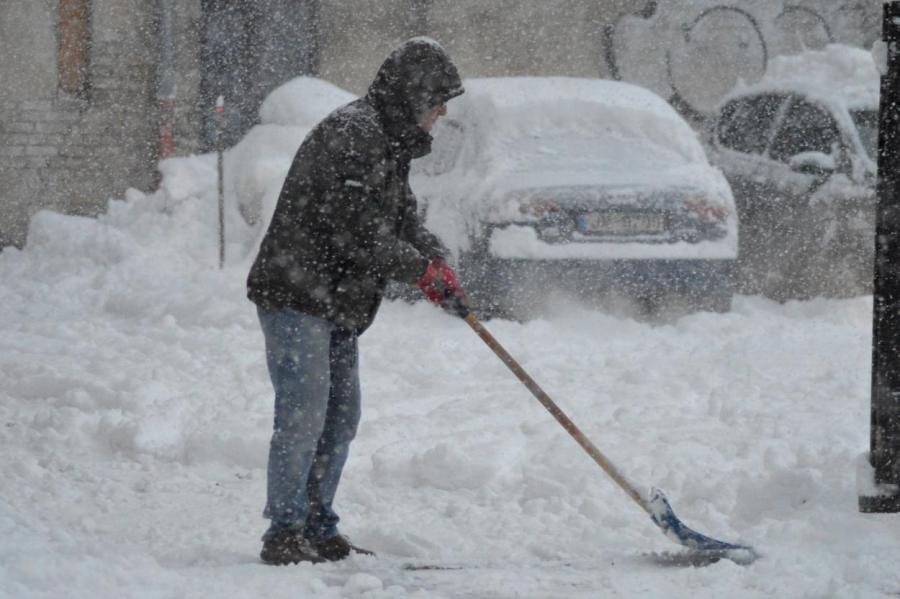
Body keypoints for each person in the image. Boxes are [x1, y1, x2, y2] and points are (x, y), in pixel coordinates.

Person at [246, 37, 469, 565]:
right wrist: (421, 274)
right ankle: (284, 531)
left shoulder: (388, 142)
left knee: (340, 416)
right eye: (436, 102)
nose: (440, 114)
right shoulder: (353, 135)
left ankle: (319, 526)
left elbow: (402, 218)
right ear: (412, 97)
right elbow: (359, 230)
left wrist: (439, 265)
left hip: (337, 299)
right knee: (304, 414)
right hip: (298, 293)